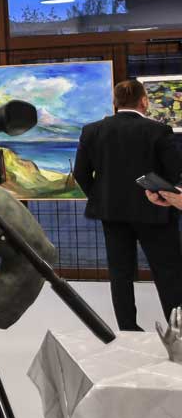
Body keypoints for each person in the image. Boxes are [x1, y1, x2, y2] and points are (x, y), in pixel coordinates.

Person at [74, 78, 182, 330]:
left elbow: (81, 173)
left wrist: (100, 197)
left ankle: (128, 329)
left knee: (119, 273)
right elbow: (174, 172)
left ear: (115, 102)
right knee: (168, 272)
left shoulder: (92, 131)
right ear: (144, 101)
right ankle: (177, 330)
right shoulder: (158, 130)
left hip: (111, 213)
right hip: (156, 211)